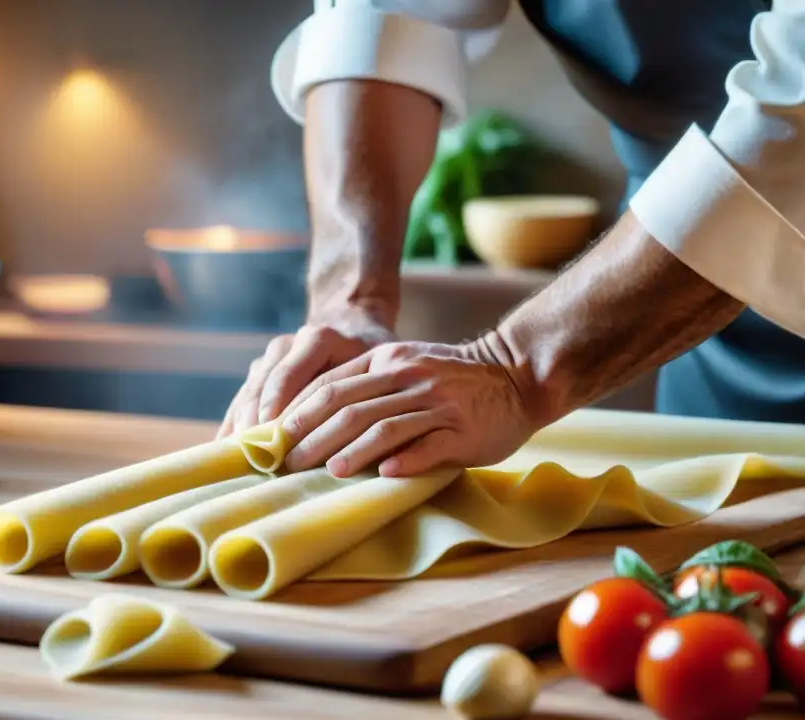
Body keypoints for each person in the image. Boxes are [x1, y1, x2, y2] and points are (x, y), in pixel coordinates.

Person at [217, 0, 805, 479]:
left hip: (694, 262)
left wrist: (513, 369)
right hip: (701, 341)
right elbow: (387, 19)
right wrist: (349, 300)